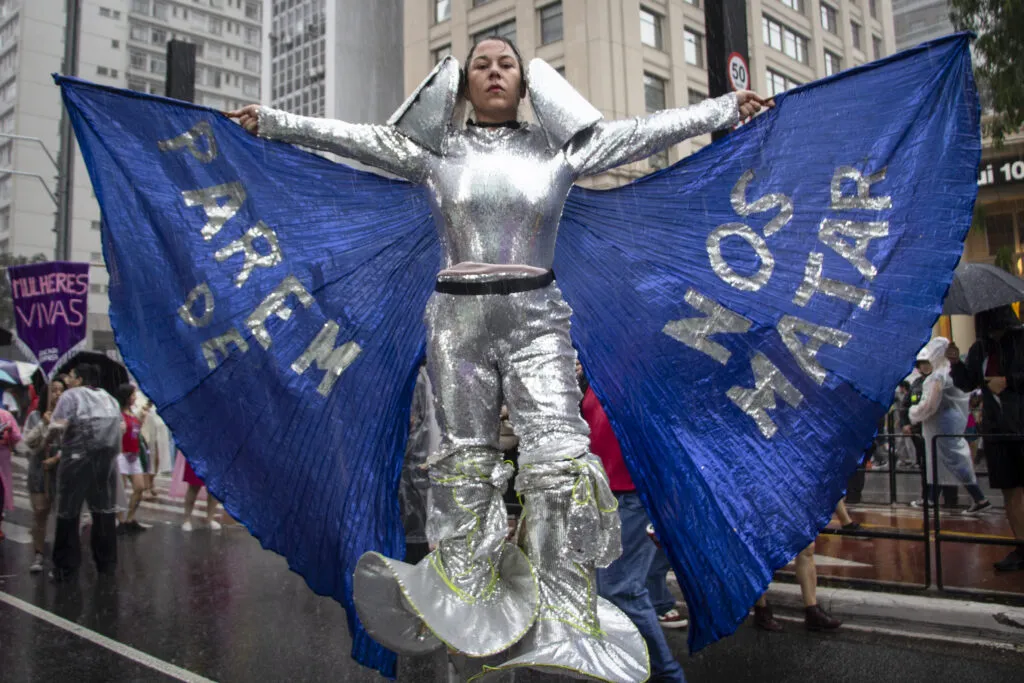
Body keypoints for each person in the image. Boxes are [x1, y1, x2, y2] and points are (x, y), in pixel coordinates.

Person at [231, 37, 770, 678]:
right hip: (456, 322)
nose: (492, 72)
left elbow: (645, 133)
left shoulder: (564, 149)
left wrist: (721, 110)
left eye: (505, 64)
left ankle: (566, 613)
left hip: (538, 316)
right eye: (480, 64)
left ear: (526, 83)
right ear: (461, 85)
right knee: (462, 467)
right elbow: (353, 138)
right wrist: (273, 122)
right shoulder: (432, 151)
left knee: (561, 463)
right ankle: (467, 600)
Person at [581, 368, 687, 683]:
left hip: (634, 496)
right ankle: (626, 666)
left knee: (621, 588)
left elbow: (671, 435)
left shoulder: (649, 374)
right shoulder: (598, 367)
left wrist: (665, 504)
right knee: (606, 589)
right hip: (603, 494)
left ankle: (665, 674)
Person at [949, 306, 1024, 571]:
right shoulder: (980, 349)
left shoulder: (1020, 341)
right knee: (1009, 489)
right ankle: (1020, 546)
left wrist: (1009, 381)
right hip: (997, 429)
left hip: (1020, 423)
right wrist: (955, 363)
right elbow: (967, 383)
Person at [45, 363, 122, 581]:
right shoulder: (110, 399)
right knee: (103, 513)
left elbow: (57, 426)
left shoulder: (71, 396)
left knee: (68, 513)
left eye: (70, 376)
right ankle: (106, 564)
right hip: (105, 464)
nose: (68, 380)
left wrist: (49, 436)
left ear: (79, 379)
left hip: (76, 461)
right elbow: (121, 429)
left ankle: (65, 567)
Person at [909, 338, 991, 514]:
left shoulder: (938, 375)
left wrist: (913, 413)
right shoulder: (952, 371)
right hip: (953, 423)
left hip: (940, 425)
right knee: (939, 461)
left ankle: (979, 497)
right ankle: (931, 499)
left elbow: (929, 405)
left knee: (954, 461)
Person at [22, 376, 67, 572]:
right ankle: (39, 554)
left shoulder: (68, 416)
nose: (57, 394)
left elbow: (73, 444)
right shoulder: (35, 416)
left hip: (62, 473)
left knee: (62, 516)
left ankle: (60, 557)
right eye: (54, 390)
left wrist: (56, 458)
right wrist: (43, 424)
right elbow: (29, 445)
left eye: (61, 390)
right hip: (39, 472)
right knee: (40, 513)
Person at [115, 383, 148, 534]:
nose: (135, 398)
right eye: (133, 395)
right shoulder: (117, 414)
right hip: (121, 455)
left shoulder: (132, 413)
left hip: (134, 455)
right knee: (120, 491)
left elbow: (135, 432)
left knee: (140, 488)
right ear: (126, 397)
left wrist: (141, 420)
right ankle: (120, 520)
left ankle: (130, 518)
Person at [180, 456, 222, 532]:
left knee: (213, 489)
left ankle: (210, 518)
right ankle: (187, 519)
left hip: (215, 456)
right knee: (193, 487)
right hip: (197, 455)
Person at [0, 404, 22, 543]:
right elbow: (16, 437)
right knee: (1, 491)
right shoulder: (6, 415)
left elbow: (16, 436)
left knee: (1, 492)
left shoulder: (6, 415)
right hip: (3, 457)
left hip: (3, 457)